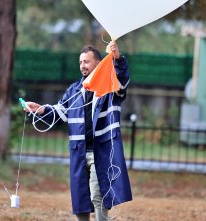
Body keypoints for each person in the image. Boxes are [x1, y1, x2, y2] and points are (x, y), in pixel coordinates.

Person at [24, 41, 132, 221]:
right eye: (80, 62)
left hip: (102, 152)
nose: (83, 66)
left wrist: (118, 58)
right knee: (80, 202)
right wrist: (40, 109)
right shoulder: (74, 90)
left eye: (87, 62)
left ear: (98, 63)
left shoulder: (110, 86)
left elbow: (122, 77)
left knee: (99, 198)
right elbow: (60, 113)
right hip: (79, 152)